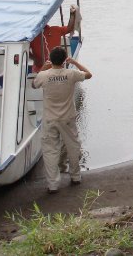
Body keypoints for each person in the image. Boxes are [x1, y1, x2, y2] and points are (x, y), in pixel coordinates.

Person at [31, 46, 92, 193]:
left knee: (50, 150)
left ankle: (53, 184)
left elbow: (34, 84)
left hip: (50, 118)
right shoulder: (71, 74)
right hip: (68, 117)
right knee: (73, 146)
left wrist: (43, 68)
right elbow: (89, 74)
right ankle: (75, 176)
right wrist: (75, 63)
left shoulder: (44, 75)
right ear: (65, 60)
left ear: (50, 60)